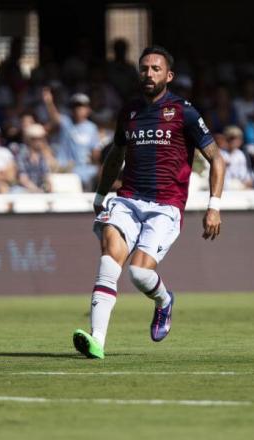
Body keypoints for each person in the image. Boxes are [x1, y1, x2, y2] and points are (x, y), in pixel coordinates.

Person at [72, 46, 225, 359]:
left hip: (165, 207)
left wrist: (214, 206)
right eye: (144, 69)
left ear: (168, 76)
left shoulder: (184, 111)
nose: (149, 74)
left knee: (139, 275)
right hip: (127, 200)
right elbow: (116, 155)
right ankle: (97, 340)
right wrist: (101, 195)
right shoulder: (129, 112)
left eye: (156, 69)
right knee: (108, 261)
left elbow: (217, 159)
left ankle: (164, 301)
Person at [44, 89, 101, 190]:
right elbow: (55, 117)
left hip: (85, 170)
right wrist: (49, 102)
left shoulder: (92, 128)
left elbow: (95, 152)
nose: (78, 109)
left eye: (81, 106)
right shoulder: (66, 122)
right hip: (66, 169)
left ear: (88, 109)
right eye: (75, 106)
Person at [16, 123, 51, 192]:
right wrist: (37, 190)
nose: (39, 142)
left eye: (41, 139)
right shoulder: (22, 155)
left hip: (39, 189)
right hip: (25, 189)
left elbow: (46, 176)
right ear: (29, 139)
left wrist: (48, 186)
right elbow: (23, 179)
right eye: (35, 139)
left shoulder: (42, 156)